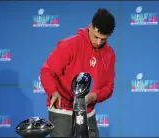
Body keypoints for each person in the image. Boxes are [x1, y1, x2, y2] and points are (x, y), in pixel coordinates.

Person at [40, 8, 116, 137]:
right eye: (96, 37)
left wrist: (94, 96)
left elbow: (109, 87)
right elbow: (47, 71)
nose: (98, 42)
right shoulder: (70, 45)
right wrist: (53, 91)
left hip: (88, 112)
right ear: (91, 26)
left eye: (103, 39)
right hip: (63, 110)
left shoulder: (110, 54)